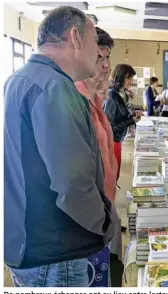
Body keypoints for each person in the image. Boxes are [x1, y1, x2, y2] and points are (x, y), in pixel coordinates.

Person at [4, 6, 116, 287]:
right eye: (94, 44)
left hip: (29, 243)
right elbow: (73, 184)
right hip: (55, 250)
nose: (97, 53)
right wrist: (106, 223)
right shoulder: (55, 87)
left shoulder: (19, 80)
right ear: (75, 37)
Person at [74, 27, 124, 286]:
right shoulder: (76, 101)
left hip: (103, 210)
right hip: (89, 223)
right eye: (98, 58)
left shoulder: (95, 100)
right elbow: (74, 177)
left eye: (108, 58)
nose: (105, 66)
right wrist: (99, 219)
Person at [104, 64, 142, 181]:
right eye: (128, 78)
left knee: (116, 173)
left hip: (119, 139)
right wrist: (131, 120)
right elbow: (110, 127)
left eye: (132, 79)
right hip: (113, 140)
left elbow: (123, 112)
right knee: (113, 175)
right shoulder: (112, 96)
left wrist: (133, 115)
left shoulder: (121, 94)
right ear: (119, 77)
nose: (131, 82)